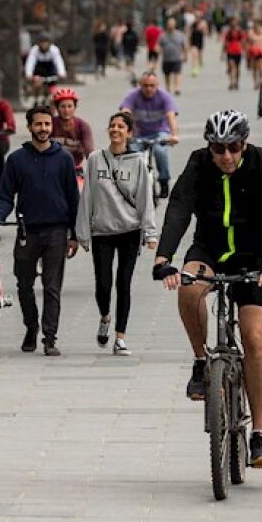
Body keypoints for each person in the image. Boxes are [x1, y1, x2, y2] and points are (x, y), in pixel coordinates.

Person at [152, 110, 262, 469]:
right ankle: (201, 361)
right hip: (210, 250)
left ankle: (258, 433)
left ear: (244, 144)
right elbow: (179, 207)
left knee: (254, 336)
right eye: (218, 149)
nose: (226, 156)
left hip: (257, 256)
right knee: (188, 288)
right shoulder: (199, 163)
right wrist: (163, 257)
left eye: (233, 147)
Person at [0, 106, 81, 356]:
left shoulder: (64, 158)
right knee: (24, 284)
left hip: (57, 230)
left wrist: (75, 235)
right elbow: (6, 195)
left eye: (47, 124)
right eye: (38, 124)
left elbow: (73, 198)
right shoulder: (16, 160)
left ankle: (50, 338)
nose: (43, 129)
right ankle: (31, 327)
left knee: (52, 286)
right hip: (27, 230)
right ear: (29, 127)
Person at [76, 112, 157, 356]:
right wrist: (82, 232)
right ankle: (105, 316)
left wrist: (149, 232)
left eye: (121, 127)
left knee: (123, 283)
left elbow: (145, 198)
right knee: (103, 283)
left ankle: (121, 337)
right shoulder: (95, 159)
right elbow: (87, 196)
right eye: (112, 126)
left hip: (129, 230)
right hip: (102, 230)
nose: (116, 130)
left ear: (129, 133)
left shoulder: (138, 162)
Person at [120, 71, 182, 198]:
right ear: (140, 85)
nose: (149, 89)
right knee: (131, 155)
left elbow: (171, 116)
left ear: (157, 85)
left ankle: (164, 181)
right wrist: (126, 131)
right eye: (145, 85)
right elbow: (125, 112)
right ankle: (132, 184)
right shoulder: (133, 95)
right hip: (138, 134)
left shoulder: (164, 96)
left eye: (152, 86)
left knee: (161, 152)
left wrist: (174, 135)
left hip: (159, 133)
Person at [50, 86, 95, 178]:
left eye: (70, 106)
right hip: (52, 169)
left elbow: (89, 151)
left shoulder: (83, 126)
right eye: (63, 106)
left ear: (75, 107)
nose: (66, 110)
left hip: (75, 170)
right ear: (57, 107)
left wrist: (96, 168)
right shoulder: (50, 124)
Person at [25, 34, 68, 99]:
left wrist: (62, 73)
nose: (44, 45)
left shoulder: (54, 50)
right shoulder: (34, 50)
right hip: (39, 72)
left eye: (45, 43)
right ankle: (36, 99)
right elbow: (30, 62)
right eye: (42, 43)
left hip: (50, 72)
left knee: (54, 92)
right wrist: (29, 74)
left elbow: (59, 61)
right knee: (37, 85)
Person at [158, 18, 187, 95]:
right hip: (166, 59)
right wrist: (158, 51)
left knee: (177, 73)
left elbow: (184, 45)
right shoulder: (162, 35)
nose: (171, 25)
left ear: (175, 25)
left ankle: (177, 88)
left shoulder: (180, 35)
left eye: (172, 24)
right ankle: (167, 88)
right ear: (167, 25)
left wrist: (185, 55)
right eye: (169, 24)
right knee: (167, 75)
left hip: (177, 58)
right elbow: (159, 45)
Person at [223, 20, 247, 89]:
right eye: (232, 25)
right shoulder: (228, 32)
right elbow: (225, 42)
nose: (233, 26)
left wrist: (244, 51)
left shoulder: (240, 32)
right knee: (231, 67)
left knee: (237, 68)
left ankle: (236, 82)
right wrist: (223, 51)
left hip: (238, 51)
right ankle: (231, 82)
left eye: (235, 25)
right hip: (230, 51)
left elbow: (243, 41)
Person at [247, 25, 262, 89]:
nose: (257, 29)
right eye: (256, 28)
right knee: (254, 68)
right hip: (253, 52)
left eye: (258, 28)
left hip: (261, 52)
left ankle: (260, 81)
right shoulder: (251, 35)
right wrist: (248, 52)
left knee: (260, 67)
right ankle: (255, 82)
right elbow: (249, 43)